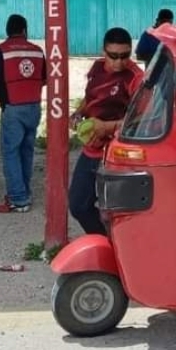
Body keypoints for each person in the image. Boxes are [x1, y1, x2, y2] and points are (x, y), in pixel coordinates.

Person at [67, 27, 144, 235]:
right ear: (103, 52)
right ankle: (106, 247)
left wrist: (107, 127)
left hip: (117, 155)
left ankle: (121, 254)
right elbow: (91, 98)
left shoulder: (135, 78)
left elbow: (141, 121)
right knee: (78, 205)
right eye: (113, 56)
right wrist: (77, 113)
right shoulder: (97, 68)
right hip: (92, 150)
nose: (119, 62)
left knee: (119, 213)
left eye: (125, 56)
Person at [0, 14, 47, 213]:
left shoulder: (0, 50)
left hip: (12, 108)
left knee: (11, 152)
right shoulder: (37, 51)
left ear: (7, 30)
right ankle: (24, 192)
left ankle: (18, 199)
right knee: (26, 151)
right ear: (24, 30)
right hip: (34, 107)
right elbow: (44, 79)